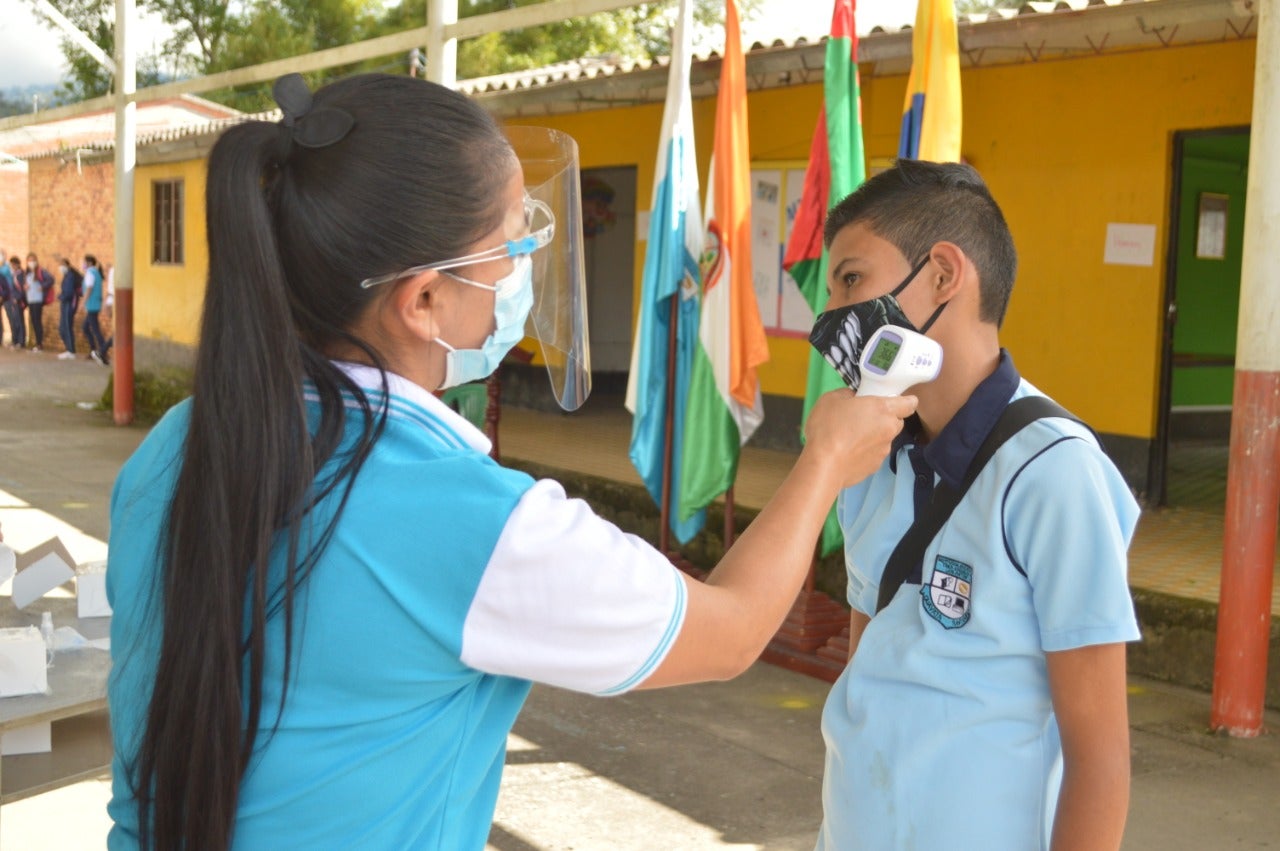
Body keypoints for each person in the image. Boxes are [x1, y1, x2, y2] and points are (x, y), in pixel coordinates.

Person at [105, 73, 916, 851]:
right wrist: (826, 458)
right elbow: (731, 631)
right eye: (511, 247)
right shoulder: (470, 522)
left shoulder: (179, 442)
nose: (520, 273)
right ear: (423, 299)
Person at [810, 159, 1139, 851]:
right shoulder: (868, 457)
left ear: (942, 274)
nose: (831, 316)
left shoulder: (1054, 471)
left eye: (850, 279)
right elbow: (873, 663)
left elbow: (1100, 756)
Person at [23, 253, 54, 352]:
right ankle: (37, 343)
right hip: (30, 299)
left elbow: (51, 279)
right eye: (29, 261)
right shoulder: (27, 273)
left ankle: (39, 343)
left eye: (33, 260)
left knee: (37, 321)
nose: (31, 263)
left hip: (37, 299)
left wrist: (43, 286)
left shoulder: (41, 271)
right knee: (33, 321)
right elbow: (27, 284)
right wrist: (25, 287)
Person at [81, 254, 108, 364]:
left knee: (95, 330)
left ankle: (102, 351)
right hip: (95, 304)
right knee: (86, 328)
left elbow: (89, 288)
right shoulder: (96, 272)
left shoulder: (90, 273)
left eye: (84, 262)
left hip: (91, 304)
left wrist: (83, 302)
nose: (83, 264)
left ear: (89, 262)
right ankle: (94, 350)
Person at [57, 256, 83, 359]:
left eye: (62, 265)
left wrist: (60, 296)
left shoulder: (70, 276)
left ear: (67, 265)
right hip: (65, 303)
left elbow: (68, 292)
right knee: (62, 328)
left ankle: (71, 350)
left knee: (67, 327)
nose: (61, 267)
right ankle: (68, 348)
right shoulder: (67, 275)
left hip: (69, 303)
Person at [4, 256, 26, 350]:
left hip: (18, 300)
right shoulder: (14, 274)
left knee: (19, 321)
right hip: (13, 299)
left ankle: (21, 341)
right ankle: (15, 340)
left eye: (13, 264)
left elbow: (21, 288)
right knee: (15, 320)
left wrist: (18, 298)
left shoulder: (20, 274)